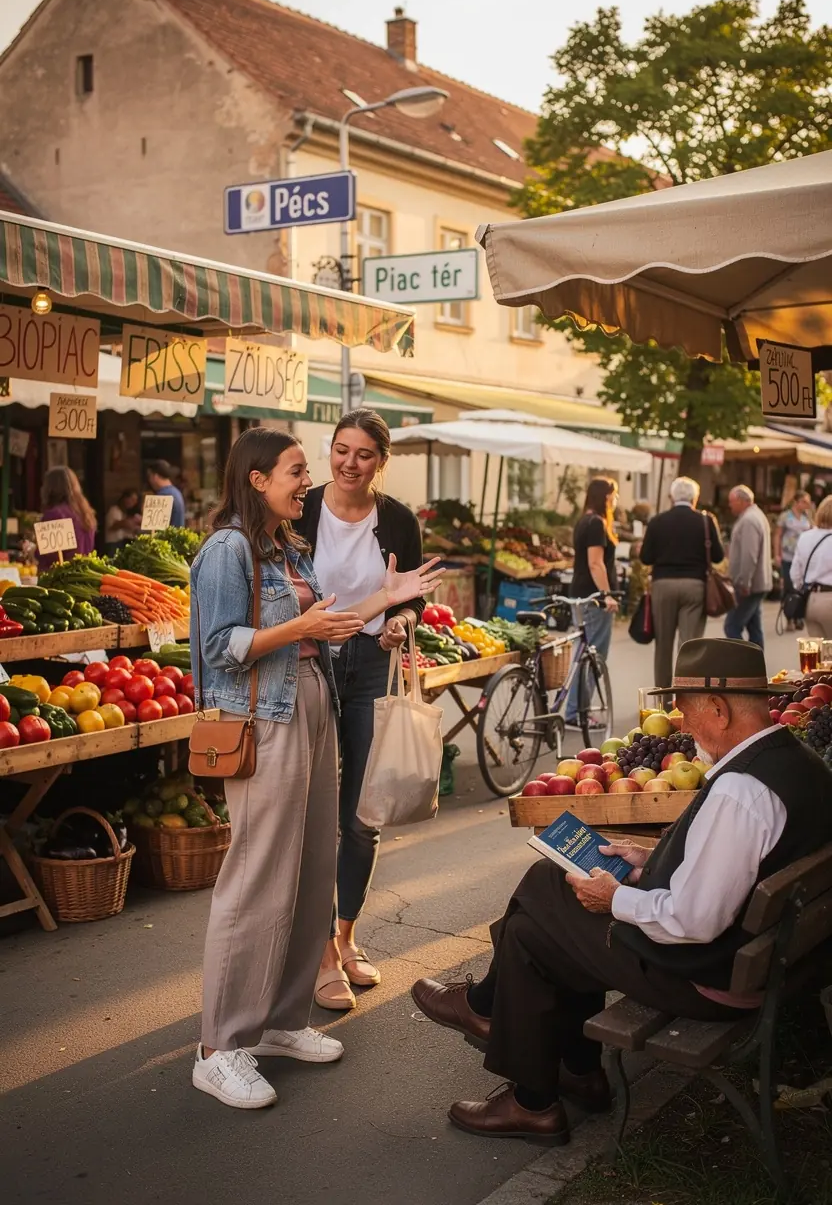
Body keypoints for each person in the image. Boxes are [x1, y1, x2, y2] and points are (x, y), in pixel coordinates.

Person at [410, 638, 832, 1143]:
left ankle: (529, 1085)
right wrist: (646, 861)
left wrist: (615, 898)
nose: (679, 719)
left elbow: (692, 922)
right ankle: (569, 1073)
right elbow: (736, 867)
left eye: (684, 706)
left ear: (718, 710)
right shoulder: (795, 759)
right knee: (541, 915)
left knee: (534, 923)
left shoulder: (740, 792)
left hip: (710, 977)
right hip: (764, 960)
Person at [190, 427, 442, 1110]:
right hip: (263, 720)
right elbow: (220, 646)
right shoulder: (228, 550)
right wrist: (299, 630)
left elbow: (328, 623)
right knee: (256, 881)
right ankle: (219, 1047)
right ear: (256, 479)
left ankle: (278, 1020)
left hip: (313, 708)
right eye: (297, 471)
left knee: (306, 876)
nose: (310, 482)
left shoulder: (285, 552)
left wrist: (387, 600)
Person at [298, 409, 434, 1011]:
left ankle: (346, 937)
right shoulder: (300, 509)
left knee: (363, 811)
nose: (349, 464)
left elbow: (412, 605)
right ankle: (322, 953)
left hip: (373, 664)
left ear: (382, 460)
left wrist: (400, 624)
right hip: (310, 660)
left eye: (363, 454)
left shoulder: (398, 520)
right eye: (340, 450)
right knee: (316, 809)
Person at [640, 477, 724, 688]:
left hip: (663, 586)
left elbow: (645, 557)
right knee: (689, 646)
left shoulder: (657, 521)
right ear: (694, 498)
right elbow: (717, 556)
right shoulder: (705, 521)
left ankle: (662, 698)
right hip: (694, 586)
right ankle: (686, 696)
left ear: (671, 497)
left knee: (663, 645)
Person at [564, 477, 620, 728]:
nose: (616, 500)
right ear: (606, 497)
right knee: (592, 655)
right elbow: (595, 563)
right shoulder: (596, 523)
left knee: (582, 654)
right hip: (593, 599)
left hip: (580, 594)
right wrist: (606, 594)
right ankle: (577, 713)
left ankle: (576, 711)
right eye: (614, 495)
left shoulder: (583, 521)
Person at [723, 486, 772, 649]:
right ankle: (757, 667)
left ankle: (745, 665)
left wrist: (744, 581)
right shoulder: (756, 516)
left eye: (731, 502)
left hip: (749, 584)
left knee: (732, 626)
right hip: (758, 582)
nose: (729, 506)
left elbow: (749, 555)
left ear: (741, 500)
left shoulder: (749, 520)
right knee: (754, 628)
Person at [789, 495, 832, 639]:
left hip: (811, 600)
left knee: (819, 656)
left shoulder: (806, 537)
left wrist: (803, 586)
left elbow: (795, 573)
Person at [37, 465, 97, 562]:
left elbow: (49, 556)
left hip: (63, 575)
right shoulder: (85, 512)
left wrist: (31, 551)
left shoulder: (54, 514)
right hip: (84, 571)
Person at [774, 489, 813, 631]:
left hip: (803, 557)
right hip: (788, 556)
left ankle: (799, 617)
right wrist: (776, 554)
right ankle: (789, 617)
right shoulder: (786, 516)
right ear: (796, 502)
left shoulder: (807, 517)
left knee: (802, 588)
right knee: (789, 587)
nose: (806, 505)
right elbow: (778, 535)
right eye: (804, 502)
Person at [146, 459, 186, 527]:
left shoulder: (163, 495)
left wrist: (136, 530)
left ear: (155, 476)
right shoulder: (176, 492)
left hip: (167, 537)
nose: (149, 481)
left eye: (149, 476)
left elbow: (154, 526)